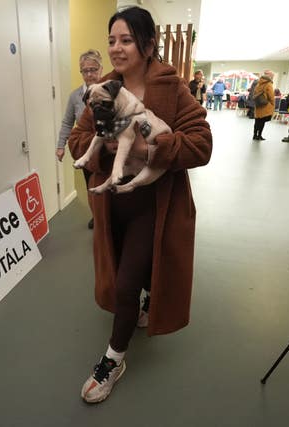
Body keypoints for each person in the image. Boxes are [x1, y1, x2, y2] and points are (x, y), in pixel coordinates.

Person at [68, 6, 212, 404]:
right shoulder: (104, 90)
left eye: (126, 39)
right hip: (113, 204)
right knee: (128, 269)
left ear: (148, 45)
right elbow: (80, 141)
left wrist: (155, 147)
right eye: (112, 39)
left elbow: (201, 142)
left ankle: (114, 359)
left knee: (126, 281)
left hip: (154, 203)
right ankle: (142, 304)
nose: (116, 48)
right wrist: (110, 147)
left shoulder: (172, 87)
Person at [57, 49, 103, 228]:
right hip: (86, 150)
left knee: (108, 184)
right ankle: (97, 215)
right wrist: (61, 146)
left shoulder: (111, 89)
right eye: (85, 70)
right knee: (91, 184)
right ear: (81, 72)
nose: (90, 74)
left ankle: (108, 218)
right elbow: (68, 122)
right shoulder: (75, 96)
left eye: (93, 69)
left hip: (108, 148)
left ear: (101, 69)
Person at [252, 70, 275, 140]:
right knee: (262, 121)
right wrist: (272, 104)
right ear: (270, 76)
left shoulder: (258, 83)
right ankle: (259, 135)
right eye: (272, 76)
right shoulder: (269, 84)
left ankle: (254, 135)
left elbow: (254, 93)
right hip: (265, 105)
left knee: (257, 121)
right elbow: (271, 96)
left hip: (258, 104)